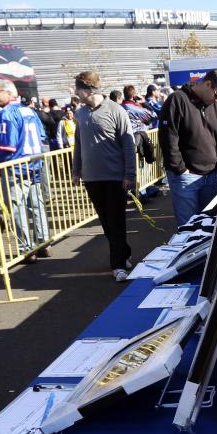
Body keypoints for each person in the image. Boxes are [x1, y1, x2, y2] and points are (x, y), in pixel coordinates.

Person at [71, 71, 137, 282]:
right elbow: (79, 144)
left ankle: (117, 265)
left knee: (116, 221)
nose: (75, 93)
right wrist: (76, 170)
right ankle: (123, 253)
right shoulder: (80, 114)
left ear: (86, 90)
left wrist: (130, 174)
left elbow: (128, 145)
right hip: (92, 178)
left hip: (116, 177)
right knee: (107, 223)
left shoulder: (117, 111)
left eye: (77, 89)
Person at [159, 70, 217, 227]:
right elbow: (168, 138)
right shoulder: (177, 100)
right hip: (186, 177)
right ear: (207, 84)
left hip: (211, 176)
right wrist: (180, 169)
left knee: (209, 226)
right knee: (188, 229)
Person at [0, 79, 50, 259]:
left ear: (10, 93)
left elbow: (6, 147)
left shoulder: (6, 114)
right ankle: (43, 241)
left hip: (16, 168)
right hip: (34, 165)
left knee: (18, 209)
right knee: (37, 205)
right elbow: (41, 137)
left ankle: (27, 248)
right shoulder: (30, 111)